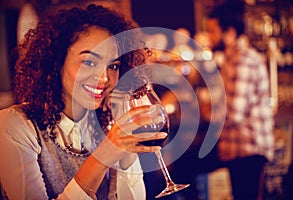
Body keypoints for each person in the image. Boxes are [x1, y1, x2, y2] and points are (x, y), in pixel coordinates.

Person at [0, 4, 168, 199]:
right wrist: (104, 155)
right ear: (57, 62)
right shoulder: (14, 125)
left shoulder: (107, 127)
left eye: (113, 65)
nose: (104, 78)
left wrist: (124, 146)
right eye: (89, 62)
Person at [205, 1, 274, 199]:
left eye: (212, 31)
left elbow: (233, 113)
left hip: (249, 150)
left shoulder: (242, 60)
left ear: (230, 32)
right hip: (238, 150)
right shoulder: (232, 58)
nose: (209, 37)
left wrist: (204, 111)